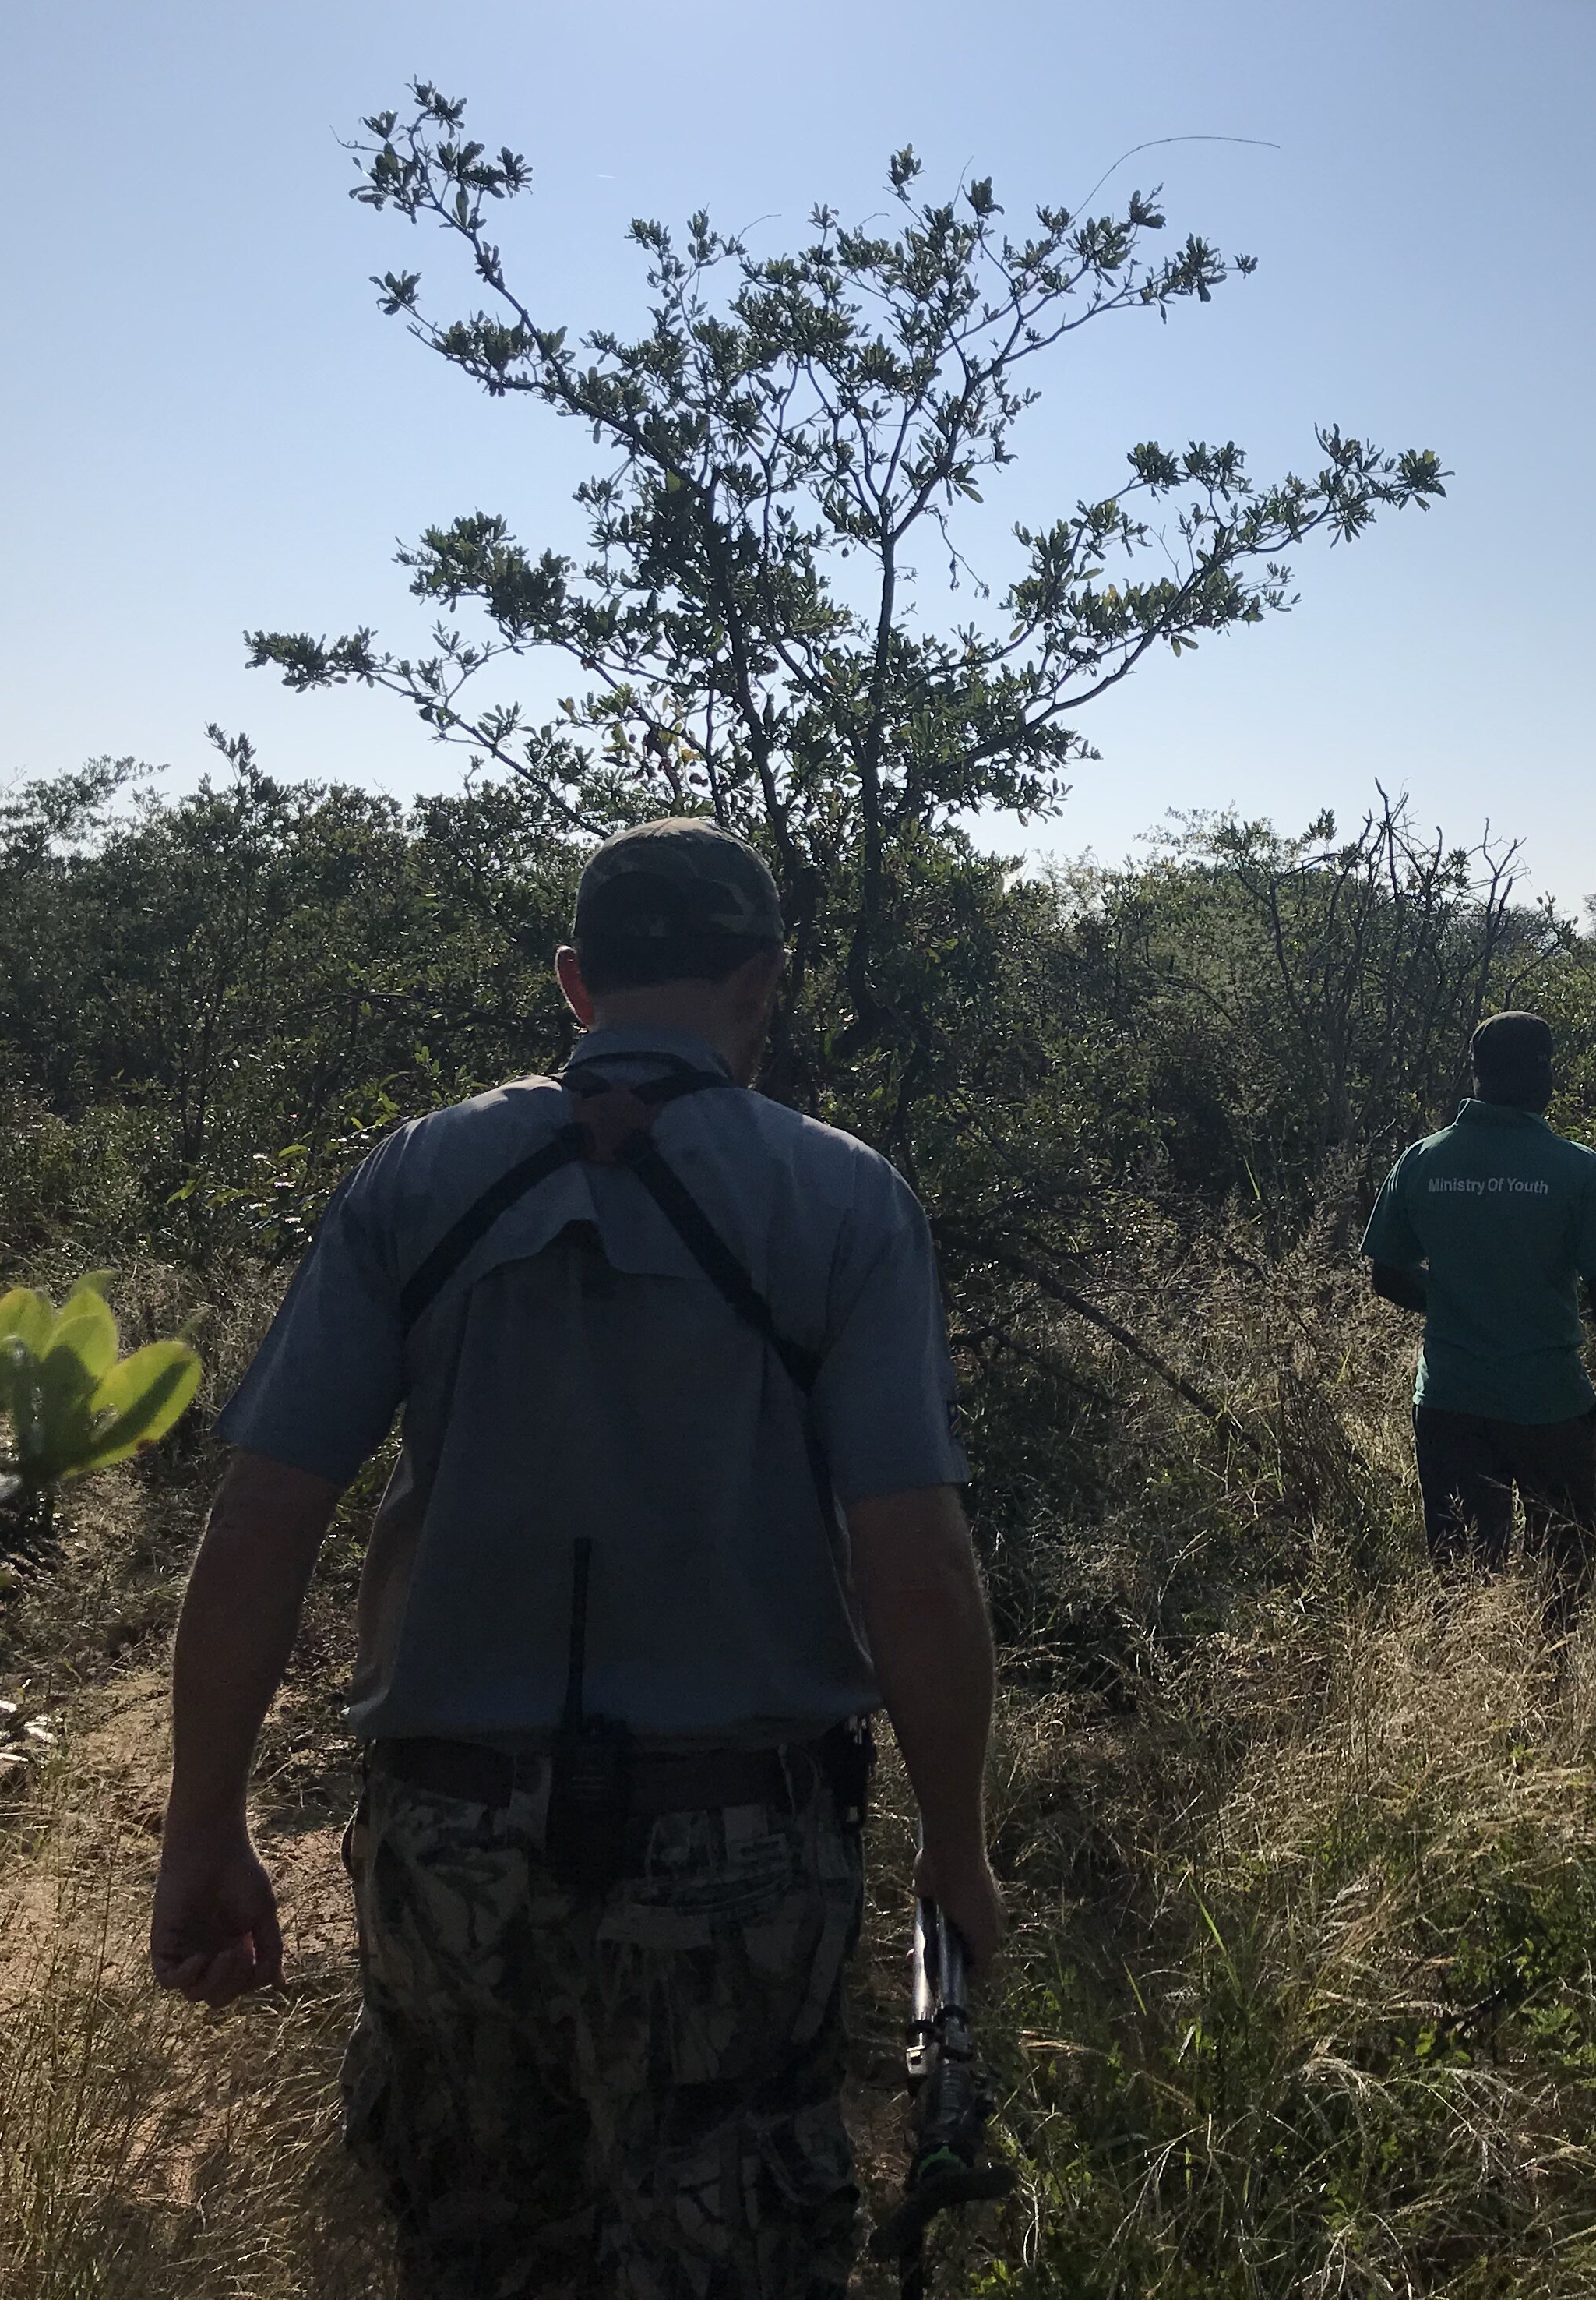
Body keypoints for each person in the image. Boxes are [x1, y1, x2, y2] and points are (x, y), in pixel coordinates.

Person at [149, 817, 1001, 2300]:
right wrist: (956, 1842)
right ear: (760, 982)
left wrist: (202, 1819)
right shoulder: (844, 1196)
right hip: (737, 1842)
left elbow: (262, 1521)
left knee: (476, 2243)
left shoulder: (416, 1175)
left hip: (447, 1837)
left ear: (573, 980)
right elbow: (914, 1560)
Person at [1360, 1011, 1596, 1628]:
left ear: (1475, 1073)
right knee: (1564, 1578)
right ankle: (1548, 1692)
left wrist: (1455, 1300)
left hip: (1450, 1403)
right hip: (1549, 1408)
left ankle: (1460, 1705)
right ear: (1539, 1071)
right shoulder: (1577, 1169)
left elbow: (1386, 1273)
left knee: (1462, 1578)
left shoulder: (1423, 1161)